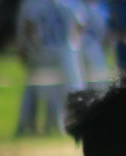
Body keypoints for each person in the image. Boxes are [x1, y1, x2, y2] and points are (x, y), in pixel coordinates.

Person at [15, 0, 85, 137]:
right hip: (65, 52)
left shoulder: (38, 6)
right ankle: (65, 126)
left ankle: (54, 126)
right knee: (70, 90)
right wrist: (74, 44)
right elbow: (79, 25)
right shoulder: (68, 4)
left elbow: (28, 25)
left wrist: (34, 46)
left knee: (51, 93)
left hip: (46, 51)